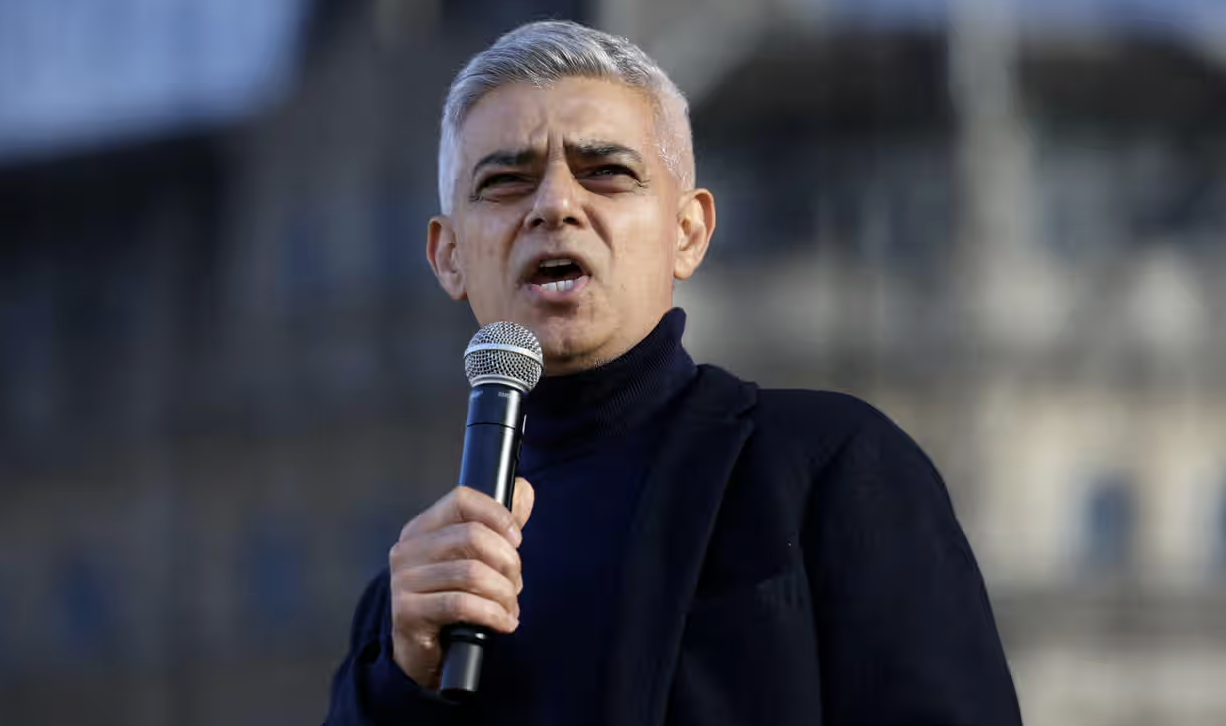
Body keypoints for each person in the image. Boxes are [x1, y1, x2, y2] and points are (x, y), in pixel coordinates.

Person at [324, 19, 1023, 726]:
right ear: (448, 257)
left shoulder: (824, 467)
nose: (555, 205)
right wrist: (397, 683)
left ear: (687, 232)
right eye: (506, 181)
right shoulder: (413, 599)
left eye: (606, 172)